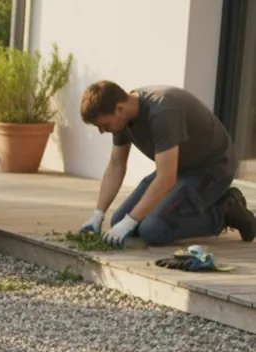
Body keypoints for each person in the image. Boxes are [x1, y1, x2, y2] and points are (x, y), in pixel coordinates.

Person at [78, 81, 256, 247]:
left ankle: (226, 211)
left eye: (104, 125)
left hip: (212, 169)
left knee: (153, 230)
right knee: (119, 221)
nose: (102, 131)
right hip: (178, 167)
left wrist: (130, 221)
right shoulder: (123, 118)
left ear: (119, 109)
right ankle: (193, 208)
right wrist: (98, 215)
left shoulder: (162, 111)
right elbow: (116, 165)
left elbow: (166, 178)